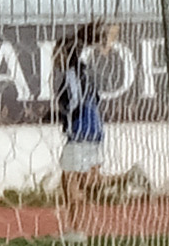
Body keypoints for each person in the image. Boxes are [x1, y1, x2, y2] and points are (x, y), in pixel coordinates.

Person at [49, 21, 111, 234]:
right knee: (86, 180)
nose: (53, 58)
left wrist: (61, 113)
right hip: (94, 128)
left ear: (64, 55)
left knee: (70, 181)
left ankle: (75, 229)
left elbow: (74, 101)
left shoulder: (70, 75)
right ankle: (125, 179)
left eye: (55, 54)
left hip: (79, 131)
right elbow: (96, 98)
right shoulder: (85, 71)